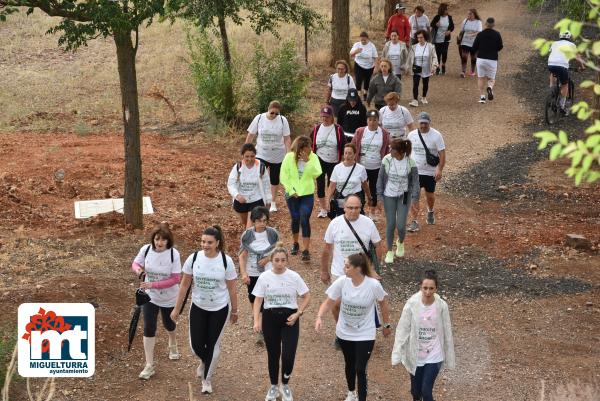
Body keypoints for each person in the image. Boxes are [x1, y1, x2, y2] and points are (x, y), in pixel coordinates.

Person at [171, 225, 238, 395]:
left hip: (220, 309)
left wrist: (235, 310)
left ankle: (206, 380)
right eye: (203, 241)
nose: (205, 245)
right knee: (196, 346)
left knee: (213, 344)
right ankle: (204, 360)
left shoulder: (226, 261)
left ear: (217, 243)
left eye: (209, 242)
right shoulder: (193, 258)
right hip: (198, 306)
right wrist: (176, 309)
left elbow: (232, 289)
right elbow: (184, 285)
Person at [316, 253, 392, 401]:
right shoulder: (342, 282)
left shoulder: (373, 285)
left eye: (347, 266)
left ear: (358, 268)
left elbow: (383, 302)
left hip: (365, 333)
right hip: (344, 332)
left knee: (360, 368)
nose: (344, 269)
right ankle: (351, 393)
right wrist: (319, 316)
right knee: (349, 364)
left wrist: (386, 324)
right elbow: (329, 302)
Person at [252, 244, 311, 401]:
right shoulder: (264, 277)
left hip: (290, 319)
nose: (279, 263)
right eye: (276, 260)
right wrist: (256, 320)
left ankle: (285, 385)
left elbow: (307, 296)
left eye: (283, 260)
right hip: (270, 318)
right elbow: (258, 300)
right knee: (273, 354)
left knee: (288, 354)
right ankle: (273, 387)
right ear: (271, 260)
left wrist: (298, 313)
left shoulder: (294, 276)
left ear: (287, 260)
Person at [391, 270, 455, 401]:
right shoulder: (412, 304)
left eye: (431, 288)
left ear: (436, 288)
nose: (428, 292)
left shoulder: (442, 306)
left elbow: (447, 331)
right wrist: (397, 352)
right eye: (425, 288)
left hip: (435, 354)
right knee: (416, 392)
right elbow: (403, 329)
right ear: (420, 287)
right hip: (416, 353)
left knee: (426, 390)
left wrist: (449, 355)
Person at [132, 223, 182, 380]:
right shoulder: (146, 250)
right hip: (150, 296)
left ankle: (172, 342)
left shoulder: (174, 254)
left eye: (163, 240)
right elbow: (135, 263)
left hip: (169, 297)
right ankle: (149, 365)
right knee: (149, 327)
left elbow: (176, 279)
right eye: (157, 239)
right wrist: (139, 271)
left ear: (168, 241)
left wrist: (153, 283)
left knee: (169, 324)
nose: (159, 243)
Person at [239, 206, 280, 344]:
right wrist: (244, 273)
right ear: (253, 221)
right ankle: (257, 317)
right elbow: (242, 255)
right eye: (259, 221)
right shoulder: (247, 235)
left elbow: (279, 250)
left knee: (266, 296)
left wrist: (268, 259)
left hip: (268, 271)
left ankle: (262, 326)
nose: (262, 223)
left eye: (265, 220)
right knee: (253, 297)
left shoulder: (272, 233)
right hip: (252, 271)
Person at [279, 136, 322, 261]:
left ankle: (306, 249)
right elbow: (283, 176)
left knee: (304, 218)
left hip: (307, 194)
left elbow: (317, 173)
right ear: (300, 148)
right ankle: (295, 243)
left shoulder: (313, 158)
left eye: (310, 146)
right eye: (307, 147)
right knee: (295, 218)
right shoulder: (289, 157)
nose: (310, 149)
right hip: (292, 194)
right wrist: (291, 190)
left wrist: (308, 162)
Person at [376, 139, 419, 264]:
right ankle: (389, 251)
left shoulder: (411, 163)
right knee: (390, 224)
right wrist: (379, 197)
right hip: (389, 195)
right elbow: (380, 178)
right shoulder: (387, 160)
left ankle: (400, 242)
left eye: (393, 149)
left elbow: (415, 182)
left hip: (404, 195)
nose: (390, 151)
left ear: (400, 151)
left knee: (401, 225)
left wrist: (415, 199)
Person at [246, 100, 292, 213]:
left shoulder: (282, 120)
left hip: (277, 154)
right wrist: (246, 150)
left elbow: (287, 138)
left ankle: (272, 202)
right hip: (262, 152)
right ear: (268, 109)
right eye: (272, 113)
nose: (274, 115)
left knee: (274, 179)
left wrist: (289, 154)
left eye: (277, 113)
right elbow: (251, 134)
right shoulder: (259, 118)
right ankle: (258, 198)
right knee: (259, 174)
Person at [406, 112, 446, 232]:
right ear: (418, 123)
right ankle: (414, 221)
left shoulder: (436, 136)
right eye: (421, 123)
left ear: (429, 123)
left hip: (430, 172)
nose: (423, 125)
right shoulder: (412, 135)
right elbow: (408, 151)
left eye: (425, 123)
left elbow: (442, 154)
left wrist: (440, 169)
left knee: (430, 196)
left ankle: (430, 211)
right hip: (415, 171)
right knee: (414, 196)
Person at [352, 109, 391, 217]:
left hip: (376, 166)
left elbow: (388, 150)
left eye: (375, 120)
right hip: (361, 166)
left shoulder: (384, 133)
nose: (372, 122)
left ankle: (372, 212)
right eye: (370, 120)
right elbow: (353, 145)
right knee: (359, 189)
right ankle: (360, 211)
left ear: (378, 120)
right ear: (367, 120)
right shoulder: (360, 131)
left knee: (374, 189)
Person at [311, 105, 346, 219]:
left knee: (332, 185)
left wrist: (342, 159)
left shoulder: (338, 129)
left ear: (332, 117)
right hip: (320, 160)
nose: (325, 119)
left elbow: (343, 144)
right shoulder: (317, 129)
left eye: (327, 117)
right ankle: (323, 209)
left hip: (334, 161)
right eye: (323, 116)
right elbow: (312, 143)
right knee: (320, 185)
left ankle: (332, 207)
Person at [227, 143, 272, 228]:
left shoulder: (261, 167)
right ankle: (248, 235)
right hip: (241, 199)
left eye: (252, 156)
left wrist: (269, 201)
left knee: (250, 226)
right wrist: (237, 195)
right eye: (247, 156)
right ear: (242, 156)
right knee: (244, 224)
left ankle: (250, 238)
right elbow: (231, 184)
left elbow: (266, 185)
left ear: (255, 155)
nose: (250, 159)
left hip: (256, 199)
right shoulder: (238, 167)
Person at [326, 143, 371, 216]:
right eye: (345, 153)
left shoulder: (361, 169)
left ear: (355, 155)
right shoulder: (337, 168)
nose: (347, 156)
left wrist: (369, 197)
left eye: (350, 153)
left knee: (356, 219)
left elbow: (365, 185)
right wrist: (327, 200)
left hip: (356, 199)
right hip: (341, 199)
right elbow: (332, 186)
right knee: (341, 220)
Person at [547, 31, 581, 115]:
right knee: (565, 85)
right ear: (569, 37)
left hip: (551, 64)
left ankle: (551, 88)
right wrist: (582, 66)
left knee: (552, 72)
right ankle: (562, 107)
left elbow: (551, 52)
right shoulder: (572, 45)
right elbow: (577, 57)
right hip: (562, 66)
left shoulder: (554, 43)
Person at [472, 17, 504, 103]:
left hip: (481, 59)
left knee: (481, 78)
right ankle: (489, 87)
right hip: (492, 59)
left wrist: (476, 53)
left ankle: (482, 97)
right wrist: (494, 50)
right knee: (491, 78)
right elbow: (500, 46)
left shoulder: (480, 34)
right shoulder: (497, 34)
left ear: (485, 24)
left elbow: (474, 47)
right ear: (493, 25)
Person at [407, 30, 439, 107]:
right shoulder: (414, 47)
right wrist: (407, 68)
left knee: (425, 83)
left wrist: (434, 66)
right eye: (418, 38)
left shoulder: (430, 46)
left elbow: (434, 57)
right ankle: (415, 100)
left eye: (421, 37)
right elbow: (410, 59)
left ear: (425, 37)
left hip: (426, 68)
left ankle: (424, 97)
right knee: (415, 84)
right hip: (417, 68)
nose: (420, 39)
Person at [350, 32, 379, 102]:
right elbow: (351, 54)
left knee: (367, 81)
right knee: (358, 79)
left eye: (364, 40)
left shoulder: (372, 46)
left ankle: (365, 94)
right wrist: (356, 51)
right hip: (358, 65)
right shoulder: (357, 45)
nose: (363, 41)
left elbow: (375, 57)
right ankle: (359, 95)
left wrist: (376, 67)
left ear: (367, 39)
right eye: (361, 40)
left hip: (369, 66)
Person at [430, 3, 454, 75]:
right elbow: (431, 24)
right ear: (443, 9)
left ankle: (443, 65)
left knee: (444, 52)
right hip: (437, 38)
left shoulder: (449, 17)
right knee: (438, 53)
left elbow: (452, 26)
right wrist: (435, 24)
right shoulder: (437, 17)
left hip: (446, 38)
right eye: (446, 9)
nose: (448, 10)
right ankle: (437, 67)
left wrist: (449, 31)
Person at [457, 9, 482, 78]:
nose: (469, 15)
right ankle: (463, 71)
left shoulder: (478, 22)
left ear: (474, 14)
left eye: (470, 14)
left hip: (474, 42)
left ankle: (472, 71)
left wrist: (472, 35)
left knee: (473, 57)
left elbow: (479, 31)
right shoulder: (465, 21)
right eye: (468, 14)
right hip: (465, 41)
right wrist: (459, 38)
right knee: (464, 56)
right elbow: (462, 30)